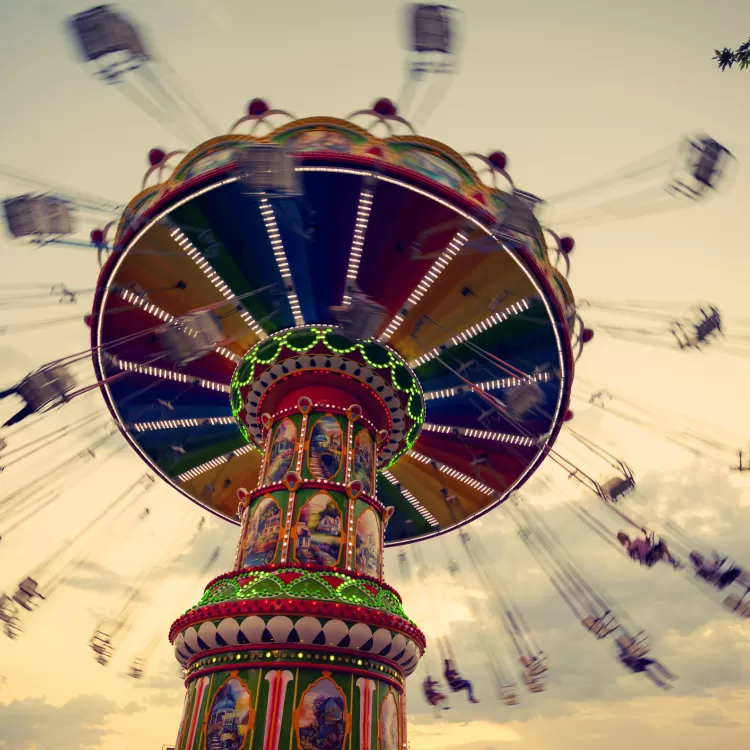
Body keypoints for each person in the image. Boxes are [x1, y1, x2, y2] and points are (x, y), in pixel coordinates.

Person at [617, 529, 682, 569]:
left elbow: (647, 543)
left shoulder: (635, 542)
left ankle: (673, 562)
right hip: (649, 556)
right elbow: (634, 552)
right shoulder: (630, 547)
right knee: (662, 547)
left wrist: (645, 534)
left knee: (662, 547)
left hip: (650, 553)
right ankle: (673, 561)